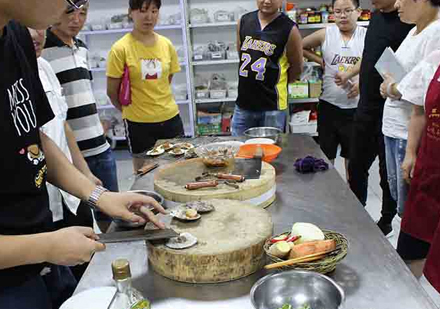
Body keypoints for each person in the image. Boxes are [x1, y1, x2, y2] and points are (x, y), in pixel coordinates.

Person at [0, 1, 165, 307]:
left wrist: (100, 196)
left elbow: (32, 141)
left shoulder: (16, 37)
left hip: (39, 256)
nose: (70, 7)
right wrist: (45, 246)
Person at [30, 27, 102, 282]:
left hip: (69, 189)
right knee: (53, 278)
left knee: (89, 268)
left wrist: (85, 173)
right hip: (40, 200)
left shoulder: (44, 68)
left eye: (39, 25)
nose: (36, 34)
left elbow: (61, 125)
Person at [336, 0, 413, 237]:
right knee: (356, 166)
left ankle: (387, 220)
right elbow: (371, 55)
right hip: (365, 108)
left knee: (387, 174)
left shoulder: (407, 21)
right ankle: (356, 215)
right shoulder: (377, 17)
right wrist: (353, 74)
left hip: (390, 110)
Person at [42, 4, 119, 232]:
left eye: (82, 13)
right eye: (69, 12)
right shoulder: (41, 52)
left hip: (100, 148)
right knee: (82, 220)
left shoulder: (82, 48)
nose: (77, 19)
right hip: (70, 158)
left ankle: (112, 256)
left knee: (112, 212)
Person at [380, 48, 440, 289]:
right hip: (430, 170)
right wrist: (411, 153)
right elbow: (419, 111)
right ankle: (407, 296)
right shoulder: (435, 59)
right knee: (412, 244)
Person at [378, 0, 440, 219]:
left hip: (408, 133)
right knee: (399, 200)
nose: (397, 4)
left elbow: (426, 92)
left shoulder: (436, 33)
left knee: (410, 208)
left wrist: (393, 88)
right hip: (394, 126)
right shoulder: (414, 30)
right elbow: (404, 75)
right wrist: (389, 85)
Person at [106, 0, 185, 172]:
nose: (149, 17)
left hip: (170, 118)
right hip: (138, 124)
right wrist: (132, 110)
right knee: (144, 174)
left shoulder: (166, 44)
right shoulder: (120, 49)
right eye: (142, 11)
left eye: (154, 11)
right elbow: (111, 91)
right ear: (131, 12)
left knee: (177, 170)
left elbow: (166, 80)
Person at [302, 0, 366, 179]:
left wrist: (362, 84)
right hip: (329, 106)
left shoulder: (366, 35)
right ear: (332, 14)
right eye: (337, 12)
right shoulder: (326, 34)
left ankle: (352, 198)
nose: (342, 15)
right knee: (326, 157)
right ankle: (328, 195)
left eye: (347, 11)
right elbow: (301, 45)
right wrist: (318, 60)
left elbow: (378, 64)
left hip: (356, 109)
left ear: (358, 12)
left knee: (353, 160)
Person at [231, 0, 303, 136]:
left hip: (272, 106)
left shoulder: (289, 28)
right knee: (240, 151)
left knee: (271, 153)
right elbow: (241, 53)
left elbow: (297, 67)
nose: (267, 1)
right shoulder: (244, 21)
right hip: (243, 103)